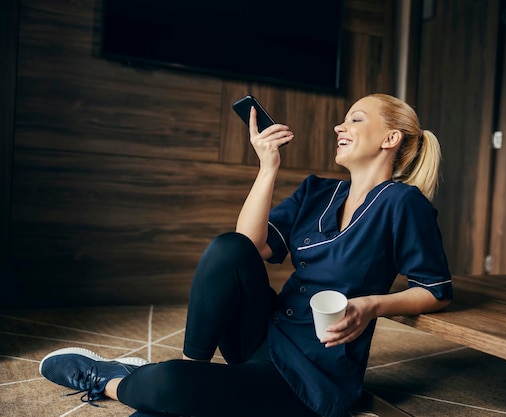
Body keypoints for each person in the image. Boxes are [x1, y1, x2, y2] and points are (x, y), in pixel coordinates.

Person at [39, 93, 453, 417]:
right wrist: (267, 167)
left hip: (315, 375)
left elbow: (435, 290)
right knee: (229, 247)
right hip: (264, 337)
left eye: (355, 119)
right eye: (343, 119)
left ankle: (116, 378)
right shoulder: (319, 191)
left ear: (391, 138)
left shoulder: (403, 203)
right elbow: (250, 247)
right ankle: (191, 366)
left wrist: (370, 306)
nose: (338, 126)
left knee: (168, 393)